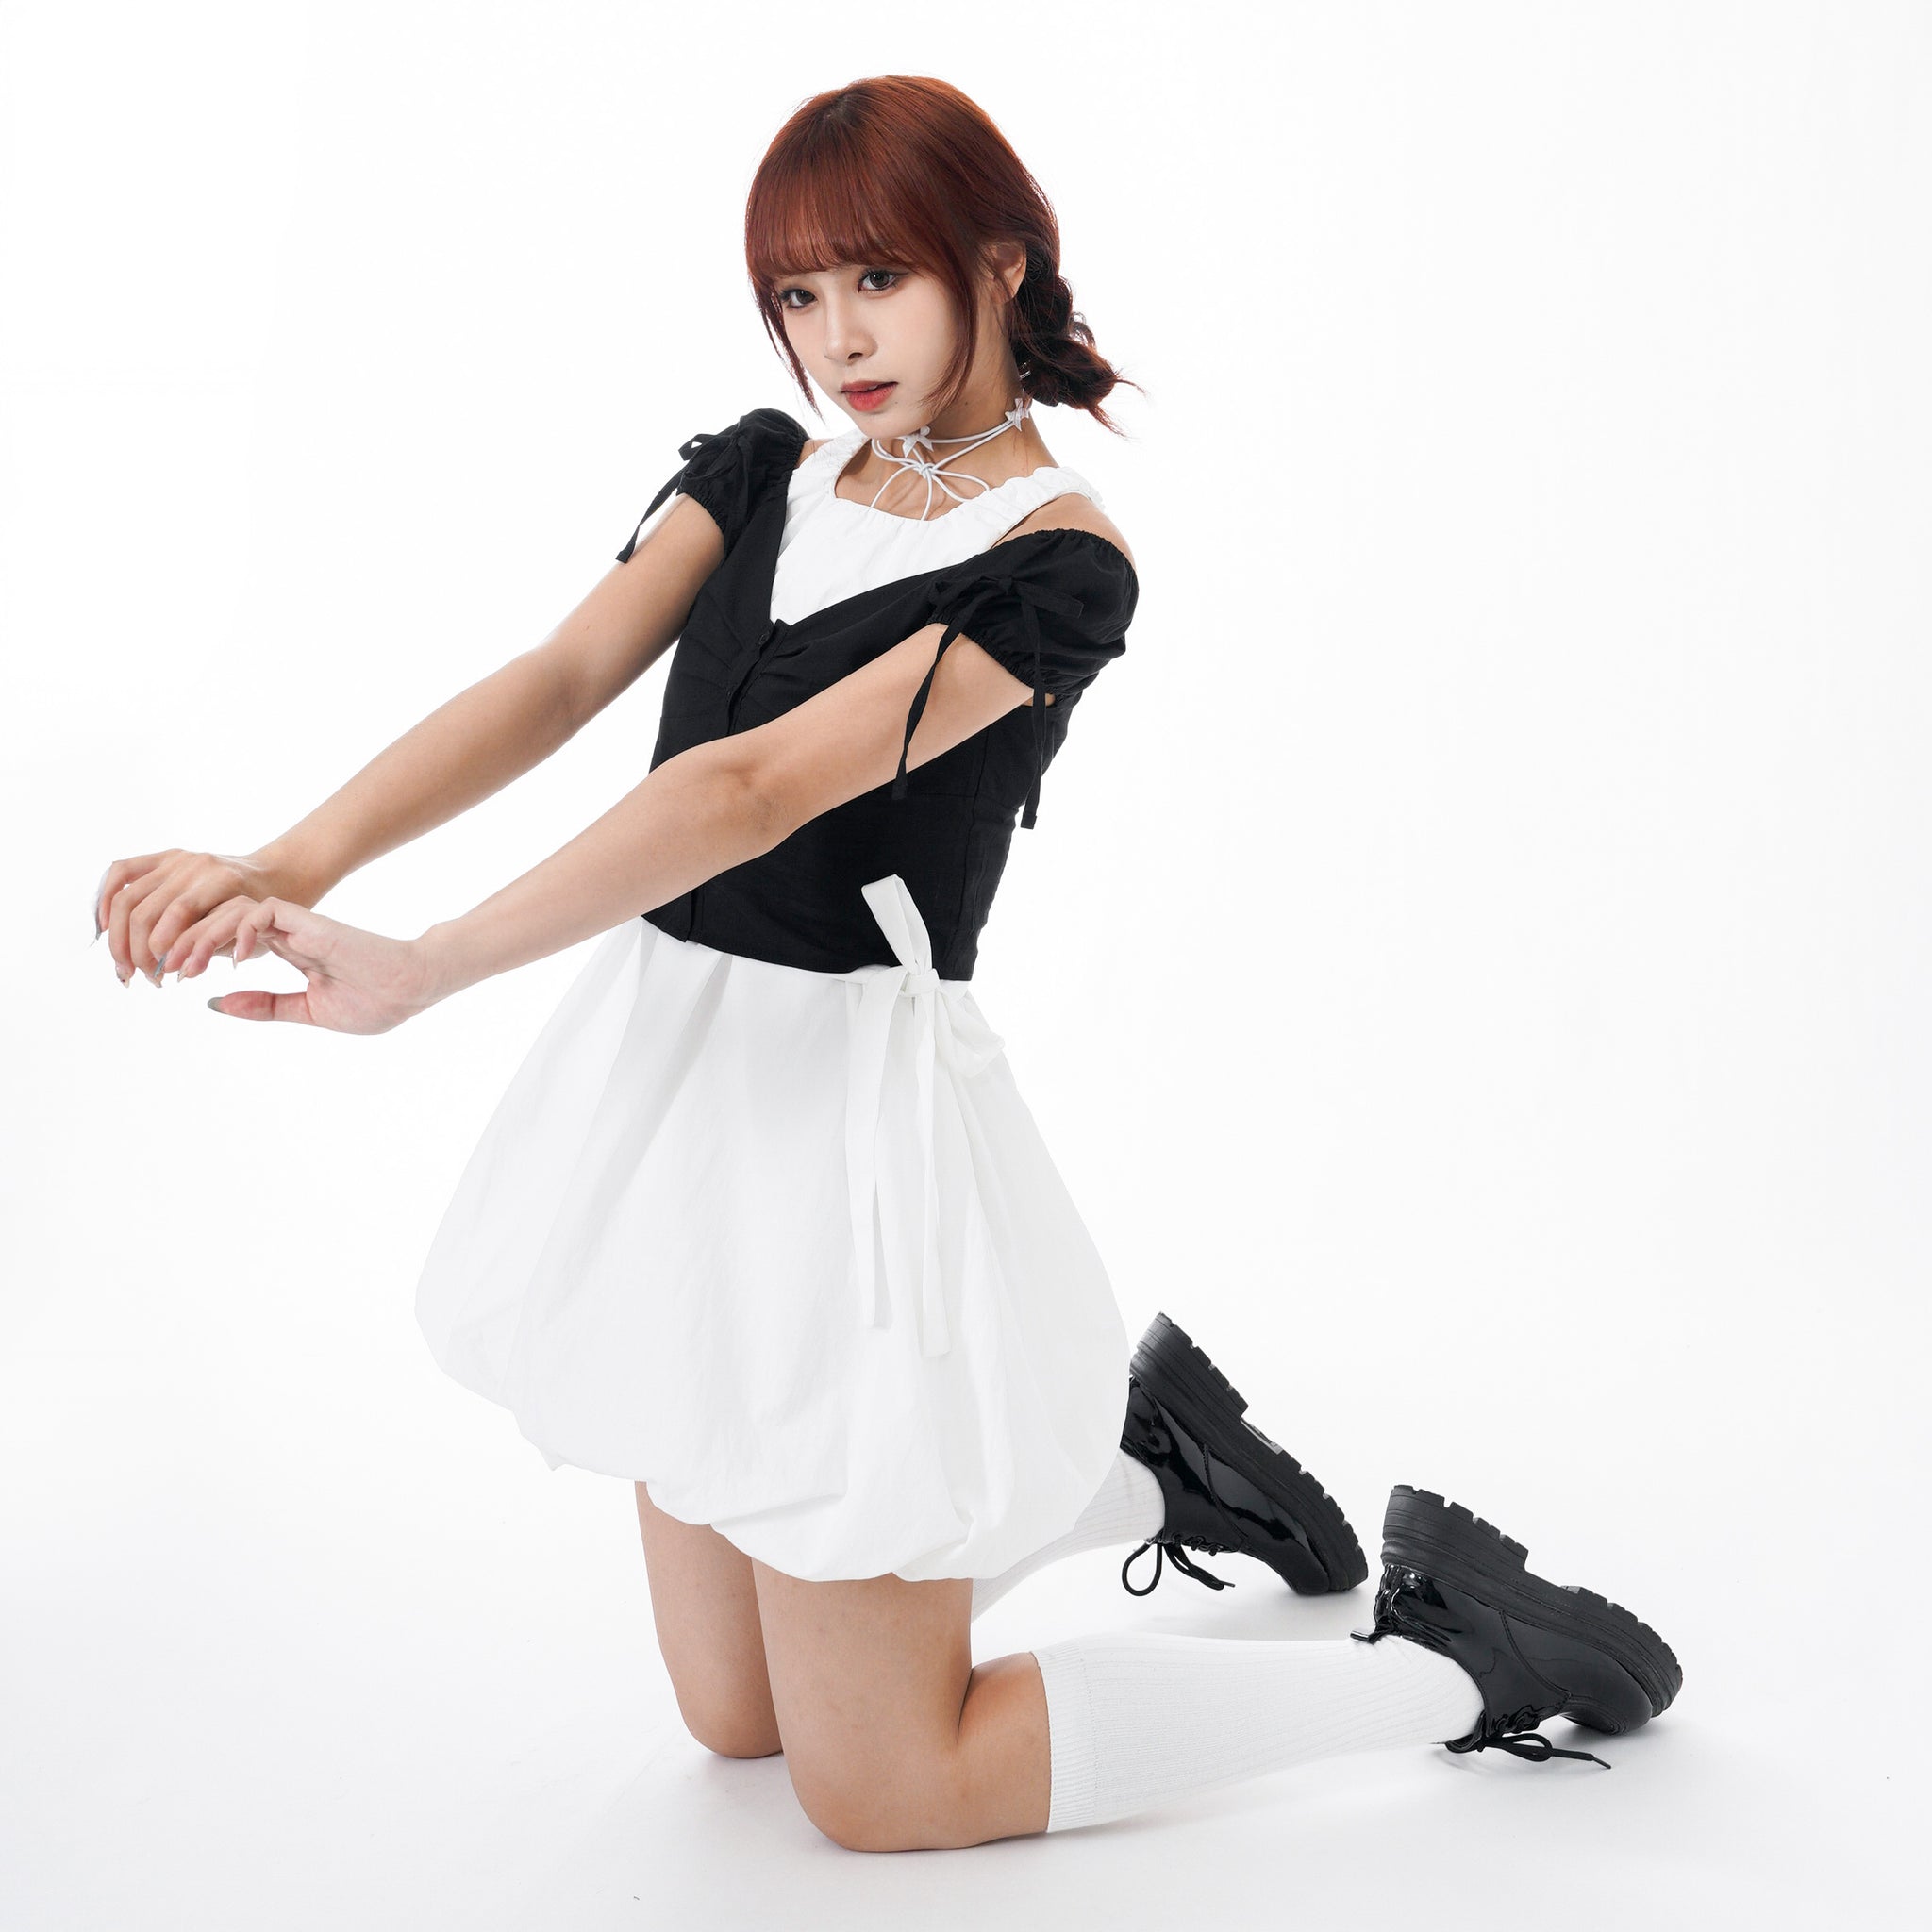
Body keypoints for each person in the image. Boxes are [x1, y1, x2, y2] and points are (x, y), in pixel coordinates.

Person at [89, 75, 1680, 1850]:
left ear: (996, 264)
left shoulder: (1053, 570)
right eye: (797, 293)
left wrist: (431, 966)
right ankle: (1144, 1465)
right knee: (736, 1722)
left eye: (877, 281)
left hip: (847, 1132)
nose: (833, 337)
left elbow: (749, 790)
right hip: (669, 1074)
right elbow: (558, 679)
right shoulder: (757, 473)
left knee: (884, 1785)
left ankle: (1460, 1658)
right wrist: (287, 861)